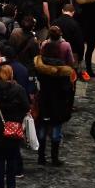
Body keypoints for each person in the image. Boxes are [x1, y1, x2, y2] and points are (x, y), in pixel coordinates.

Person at [34, 37, 77, 166]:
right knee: (56, 131)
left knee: (41, 129)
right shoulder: (63, 71)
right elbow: (67, 90)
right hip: (58, 103)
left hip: (43, 101)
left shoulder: (39, 67)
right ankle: (54, 157)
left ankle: (41, 157)